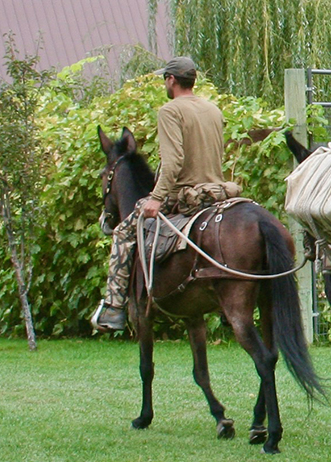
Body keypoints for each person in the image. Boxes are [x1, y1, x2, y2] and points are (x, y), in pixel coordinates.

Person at [92, 57, 231, 333]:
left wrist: (156, 198)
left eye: (164, 80)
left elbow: (172, 163)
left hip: (183, 194)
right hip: (216, 192)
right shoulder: (213, 110)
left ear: (171, 80)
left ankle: (114, 307)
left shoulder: (170, 110)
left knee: (122, 232)